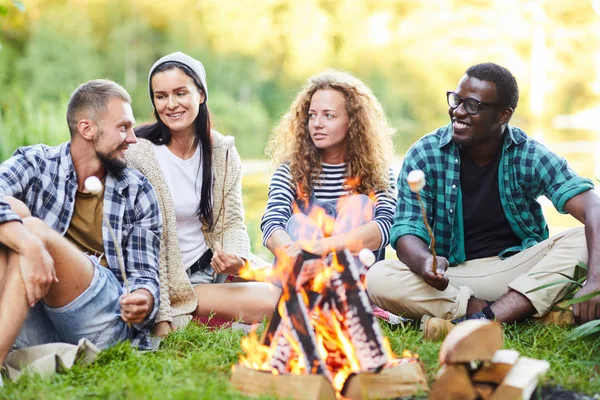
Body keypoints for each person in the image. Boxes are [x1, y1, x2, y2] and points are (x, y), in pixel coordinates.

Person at [366, 62, 600, 340]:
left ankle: (478, 320)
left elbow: (593, 209)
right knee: (379, 276)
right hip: (453, 277)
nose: (458, 112)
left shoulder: (528, 155)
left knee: (580, 239)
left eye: (472, 106)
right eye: (456, 100)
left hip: (515, 269)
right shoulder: (425, 153)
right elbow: (406, 231)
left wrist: (595, 279)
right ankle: (513, 314)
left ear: (503, 115)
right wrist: (424, 263)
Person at [0, 79, 162, 365]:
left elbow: (145, 274)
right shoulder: (36, 163)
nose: (133, 138)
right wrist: (27, 246)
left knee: (31, 227)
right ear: (87, 129)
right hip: (32, 316)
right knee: (12, 214)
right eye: (123, 127)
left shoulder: (137, 190)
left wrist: (144, 298)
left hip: (101, 322)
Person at [126, 52, 279, 337]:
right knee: (277, 301)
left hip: (213, 269)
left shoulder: (221, 150)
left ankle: (220, 313)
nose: (171, 104)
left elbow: (232, 220)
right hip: (178, 281)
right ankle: (204, 314)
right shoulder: (139, 154)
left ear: (200, 94)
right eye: (161, 96)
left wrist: (236, 259)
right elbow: (140, 243)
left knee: (295, 283)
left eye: (180, 93)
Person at [260, 70, 396, 274]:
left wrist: (327, 246)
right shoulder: (290, 170)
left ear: (352, 121)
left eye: (329, 116)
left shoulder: (376, 170)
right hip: (303, 275)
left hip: (353, 278)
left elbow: (387, 226)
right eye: (312, 115)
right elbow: (272, 224)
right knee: (298, 221)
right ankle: (308, 295)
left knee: (359, 204)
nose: (317, 124)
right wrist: (297, 256)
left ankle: (347, 295)